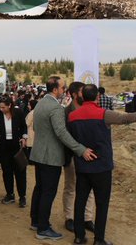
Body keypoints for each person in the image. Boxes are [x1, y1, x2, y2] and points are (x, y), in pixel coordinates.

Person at [29, 76, 96, 241]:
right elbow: (61, 133)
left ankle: (36, 221)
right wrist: (80, 149)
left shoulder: (40, 104)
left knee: (40, 189)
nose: (64, 90)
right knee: (48, 192)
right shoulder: (56, 108)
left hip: (39, 154)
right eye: (62, 87)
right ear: (55, 89)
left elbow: (37, 127)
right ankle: (43, 228)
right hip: (50, 156)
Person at [68, 83, 136, 245]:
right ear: (97, 97)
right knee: (102, 203)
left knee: (80, 200)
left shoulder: (72, 116)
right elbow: (126, 118)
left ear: (82, 96)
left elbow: (71, 139)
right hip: (102, 166)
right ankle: (99, 239)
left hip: (82, 165)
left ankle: (79, 236)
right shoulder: (104, 114)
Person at [63, 82, 95, 234]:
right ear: (75, 94)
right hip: (72, 155)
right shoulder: (66, 112)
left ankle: (87, 218)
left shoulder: (90, 109)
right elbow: (65, 136)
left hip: (89, 155)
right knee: (70, 186)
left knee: (89, 188)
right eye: (83, 91)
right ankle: (69, 217)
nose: (85, 94)